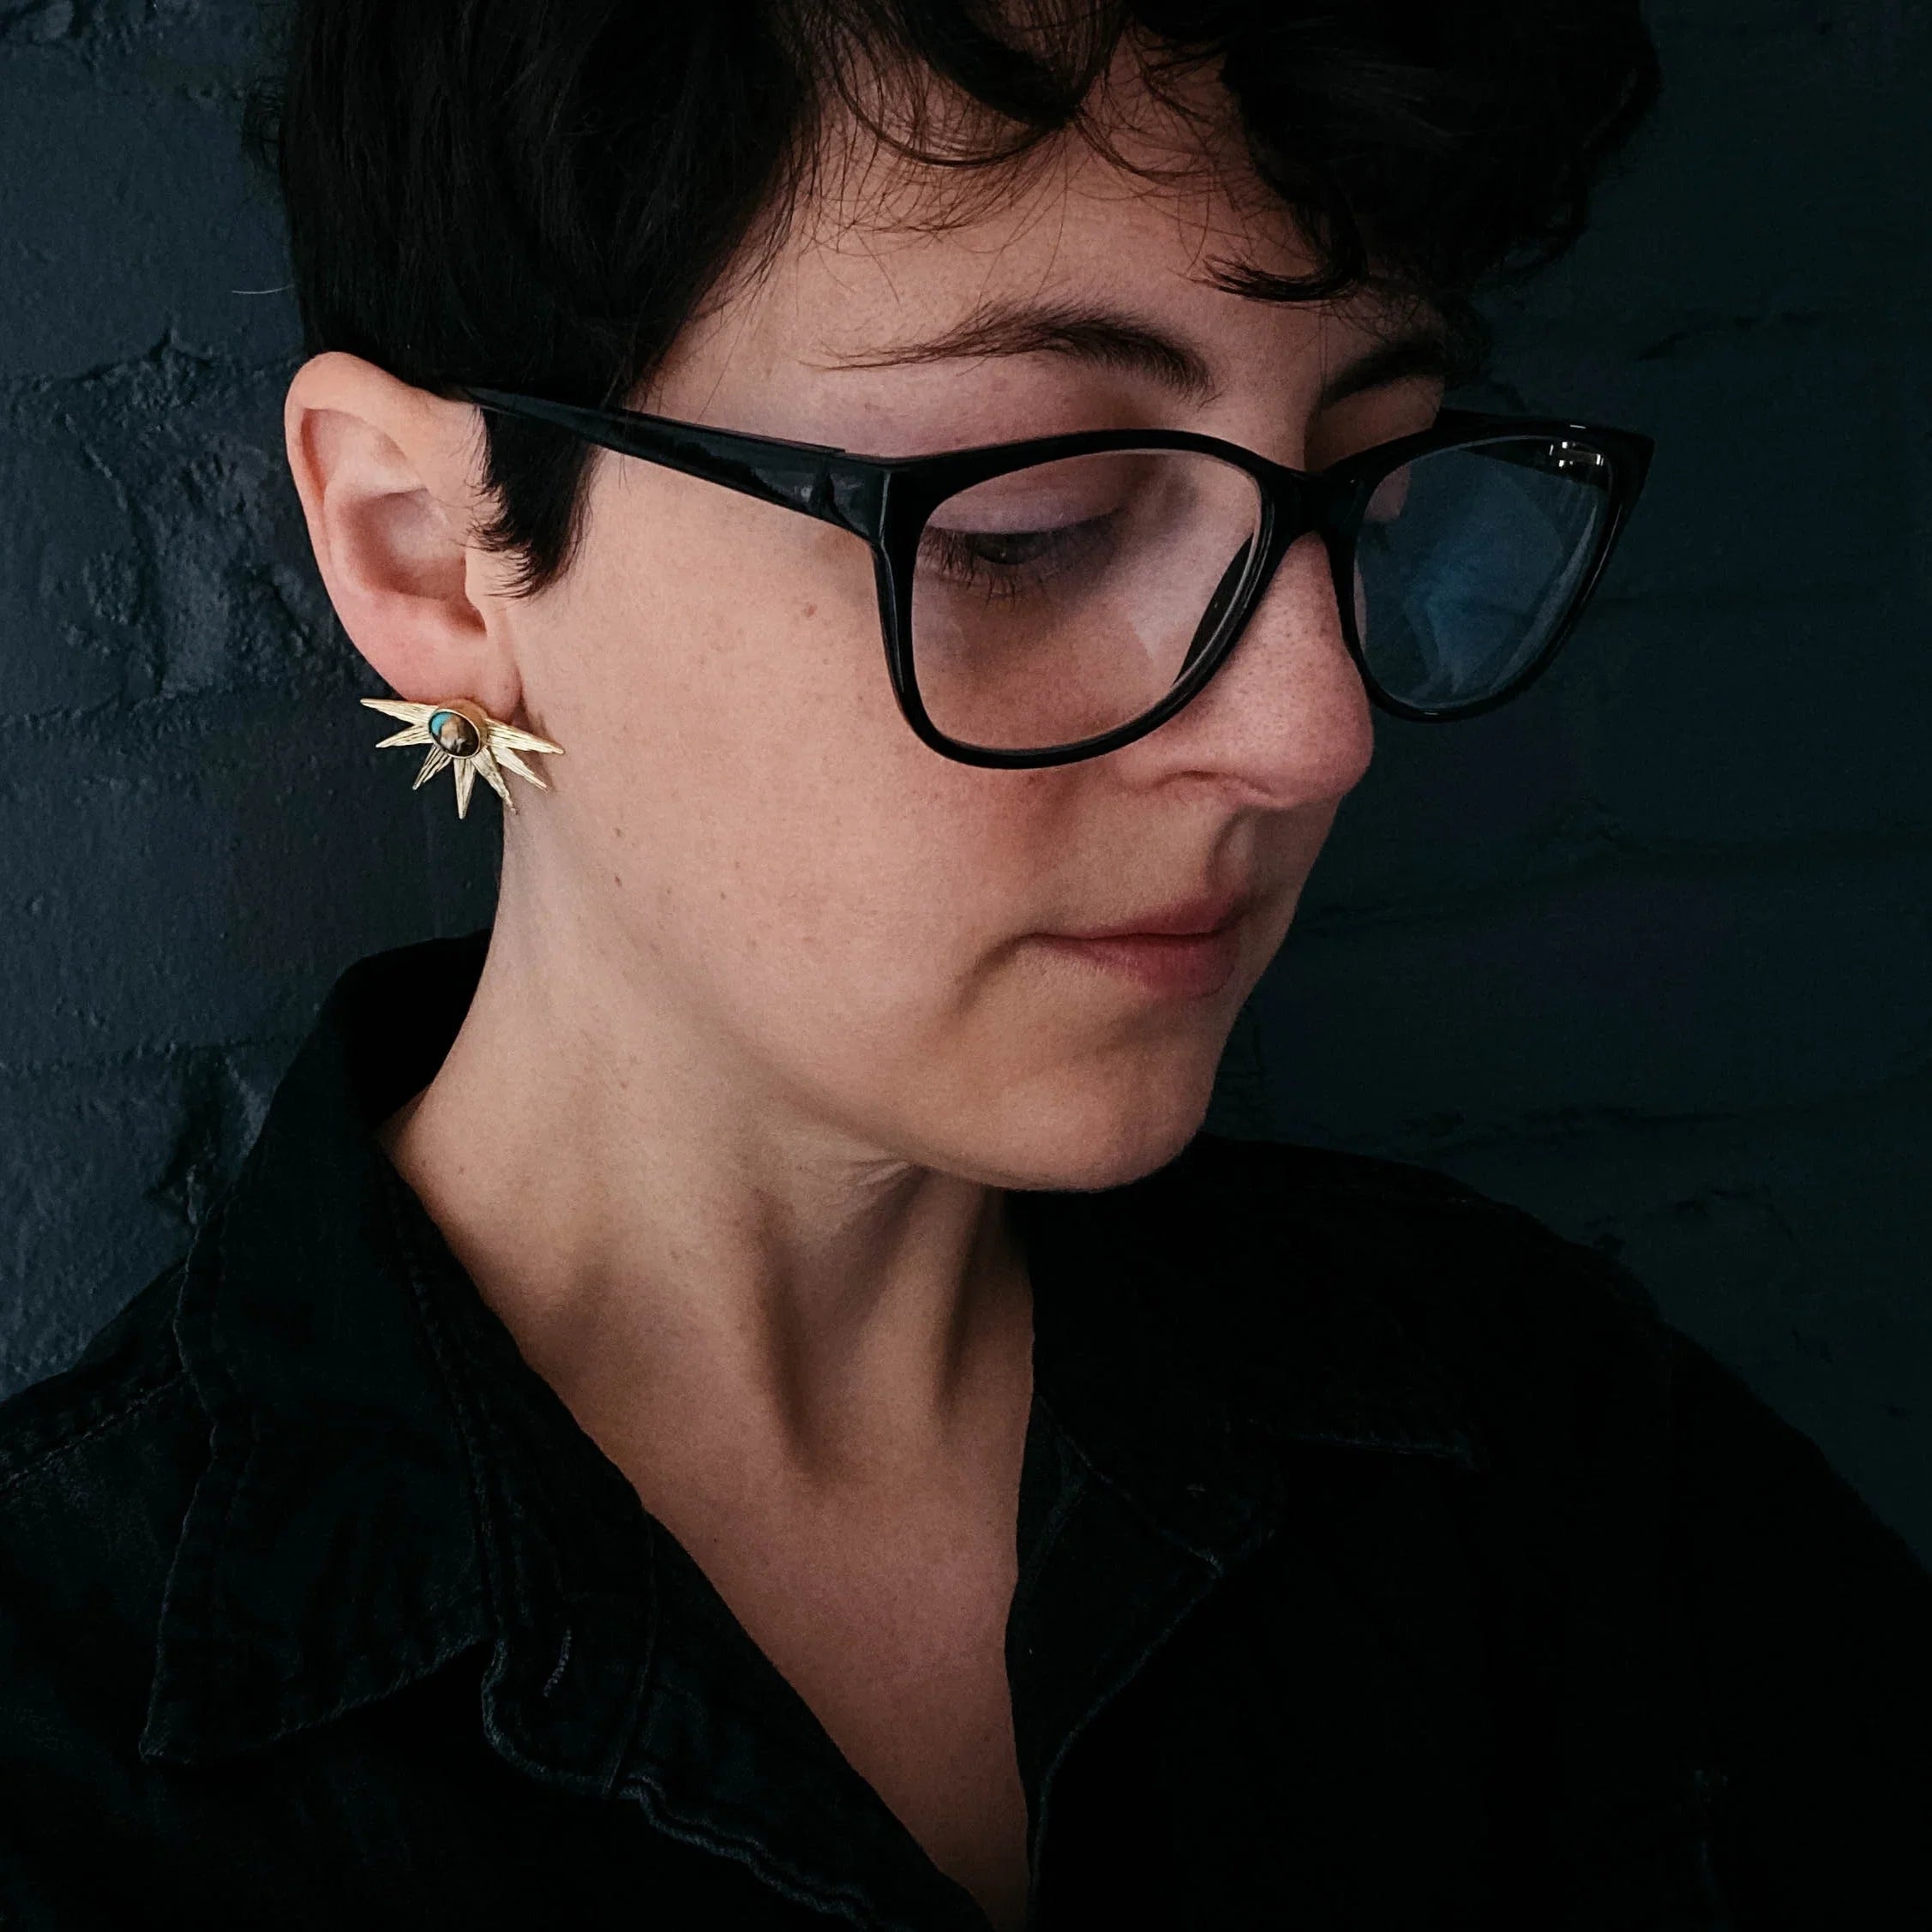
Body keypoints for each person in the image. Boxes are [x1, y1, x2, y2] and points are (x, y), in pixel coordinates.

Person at [1, 2, 1926, 1927]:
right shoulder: (74, 1754)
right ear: (429, 547)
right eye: (1027, 524)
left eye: (1372, 489)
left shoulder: (1543, 1451)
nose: (1311, 729)